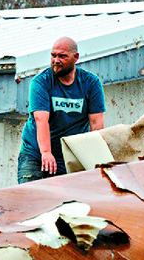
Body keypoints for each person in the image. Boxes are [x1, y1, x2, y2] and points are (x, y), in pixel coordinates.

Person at [18, 37, 105, 183]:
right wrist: (46, 152)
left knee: (67, 202)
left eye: (62, 56)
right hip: (36, 153)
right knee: (32, 197)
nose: (56, 60)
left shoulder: (91, 83)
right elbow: (41, 120)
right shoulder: (41, 82)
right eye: (53, 55)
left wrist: (95, 160)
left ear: (75, 57)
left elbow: (96, 125)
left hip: (69, 155)